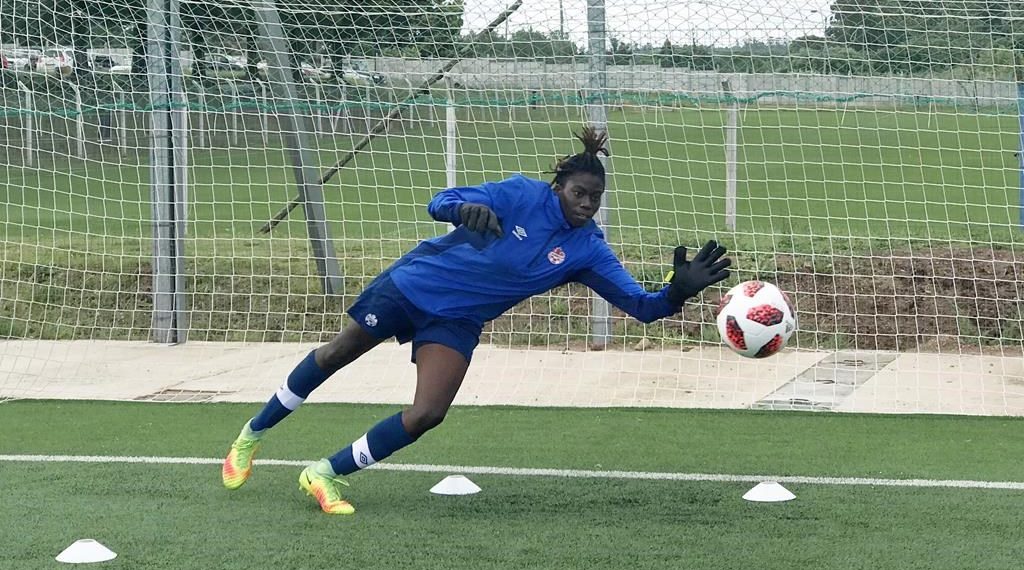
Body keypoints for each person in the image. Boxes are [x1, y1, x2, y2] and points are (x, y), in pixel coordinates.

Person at [221, 127, 731, 515]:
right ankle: (250, 436)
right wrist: (463, 211)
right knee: (337, 354)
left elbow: (643, 307)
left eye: (595, 198)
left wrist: (678, 290)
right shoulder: (520, 195)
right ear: (558, 186)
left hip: (458, 321)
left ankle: (324, 473)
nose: (587, 204)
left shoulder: (588, 250)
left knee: (428, 413)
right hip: (414, 285)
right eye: (579, 193)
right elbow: (439, 201)